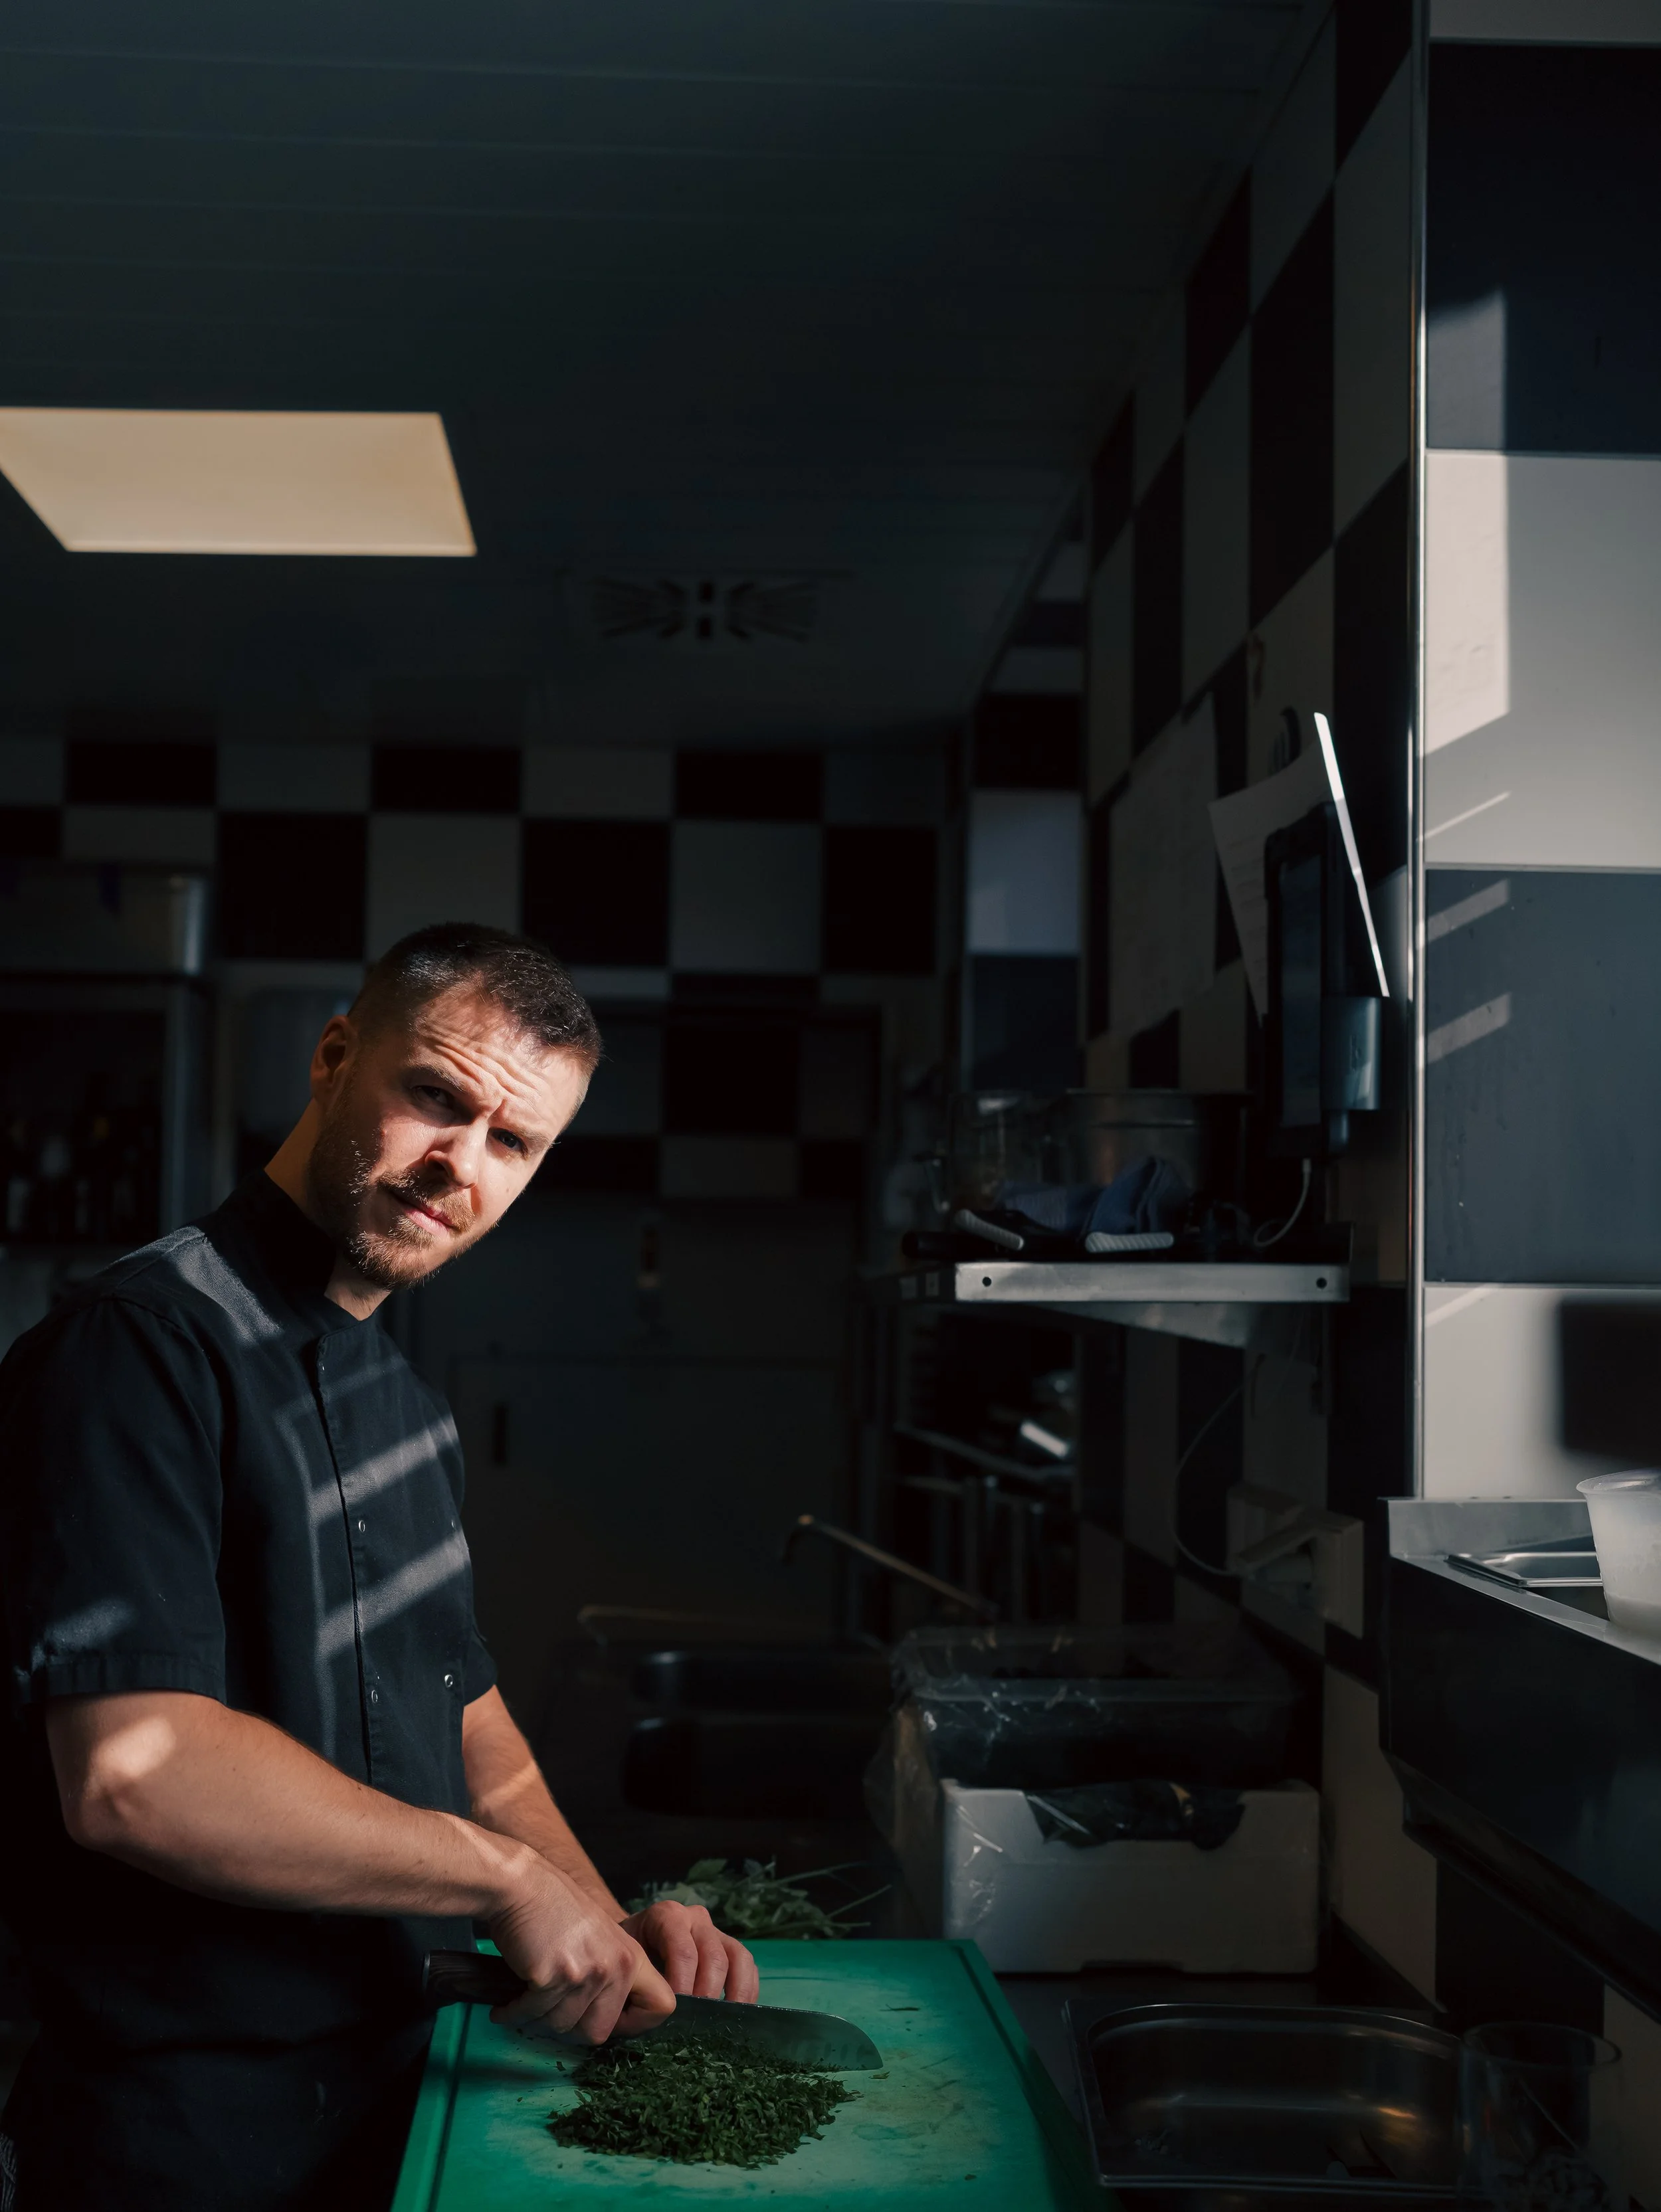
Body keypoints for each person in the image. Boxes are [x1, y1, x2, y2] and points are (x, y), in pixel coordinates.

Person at [0, 923, 757, 2212]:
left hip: (400, 2110)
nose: (462, 1163)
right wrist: (505, 1881)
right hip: (181, 2143)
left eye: (513, 1143)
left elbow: (462, 1714)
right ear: (335, 1056)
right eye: (437, 1097)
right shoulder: (137, 1351)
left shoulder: (407, 1409)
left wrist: (602, 1922)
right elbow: (135, 1777)